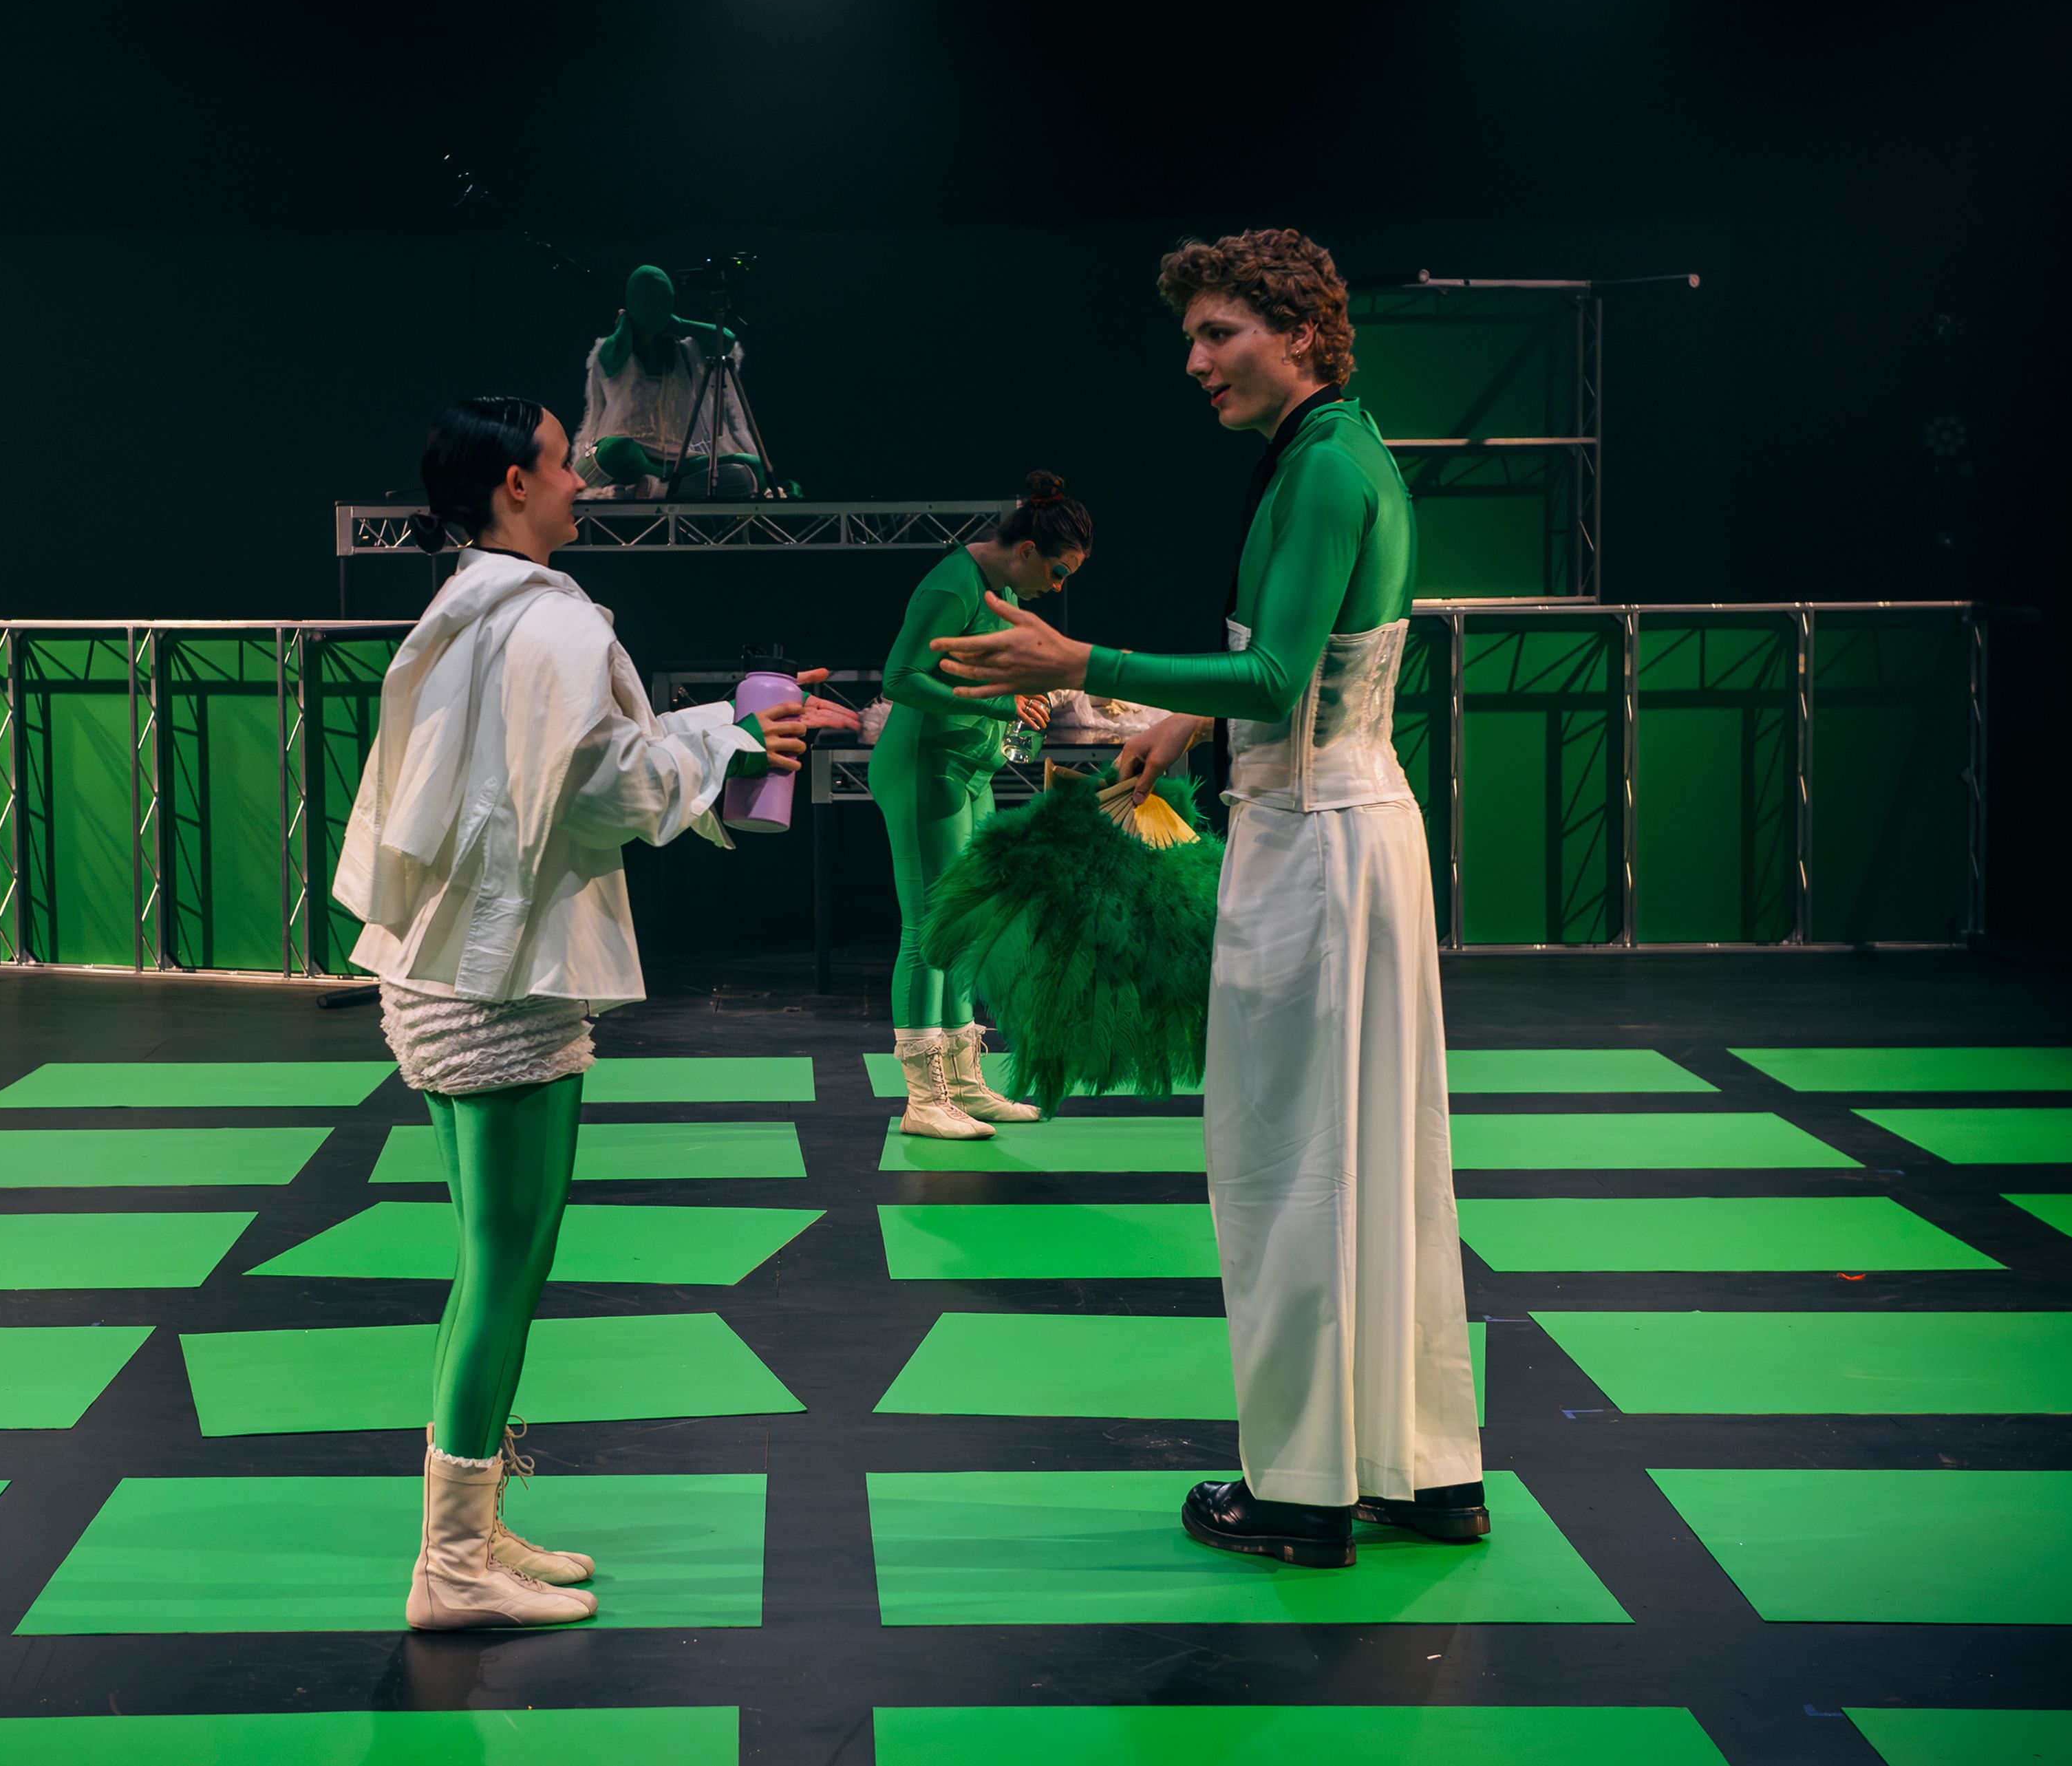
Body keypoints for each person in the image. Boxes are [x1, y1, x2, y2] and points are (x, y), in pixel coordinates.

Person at [932, 230, 1484, 1569]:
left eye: (1219, 331)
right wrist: (1180, 725)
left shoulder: (1320, 469)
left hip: (1317, 847)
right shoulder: (1343, 450)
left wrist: (1087, 657)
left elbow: (1284, 671)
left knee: (1290, 1164)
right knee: (1382, 1166)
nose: (1195, 361)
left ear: (1299, 330)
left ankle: (1297, 1490)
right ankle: (1420, 1473)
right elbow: (1324, 668)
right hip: (1352, 826)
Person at [334, 395, 855, 1628]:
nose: (587, 486)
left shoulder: (463, 611)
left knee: (485, 1265)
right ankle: (450, 1561)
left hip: (440, 963)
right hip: (500, 976)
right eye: (568, 466)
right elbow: (601, 783)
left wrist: (724, 728)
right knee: (507, 1267)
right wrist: (734, 734)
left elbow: (560, 767)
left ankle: (472, 1526)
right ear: (516, 482)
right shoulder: (548, 622)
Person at [873, 474, 1091, 1137]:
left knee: (968, 927)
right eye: (1056, 570)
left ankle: (963, 1083)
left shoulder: (997, 591)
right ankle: (922, 1097)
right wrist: (998, 704)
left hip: (968, 768)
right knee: (930, 929)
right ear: (1025, 548)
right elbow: (900, 679)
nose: (1057, 587)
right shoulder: (953, 584)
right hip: (924, 770)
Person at [572, 264, 766, 497]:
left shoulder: (685, 351)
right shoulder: (613, 350)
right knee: (618, 449)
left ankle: (657, 488)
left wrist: (679, 323)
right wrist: (627, 320)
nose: (656, 308)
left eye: (662, 301)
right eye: (648, 300)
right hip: (627, 454)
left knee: (753, 465)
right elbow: (618, 348)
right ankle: (657, 483)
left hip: (677, 459)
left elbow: (726, 339)